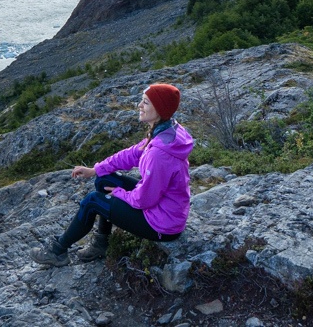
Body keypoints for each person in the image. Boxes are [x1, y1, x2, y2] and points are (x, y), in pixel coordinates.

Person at [31, 82, 194, 266]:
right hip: (162, 208)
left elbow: (144, 200)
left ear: (160, 109)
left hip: (162, 224)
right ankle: (102, 243)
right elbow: (132, 154)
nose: (139, 106)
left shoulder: (159, 154)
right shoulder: (166, 131)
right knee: (103, 180)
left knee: (93, 201)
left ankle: (58, 251)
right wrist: (95, 170)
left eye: (146, 103)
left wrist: (120, 194)